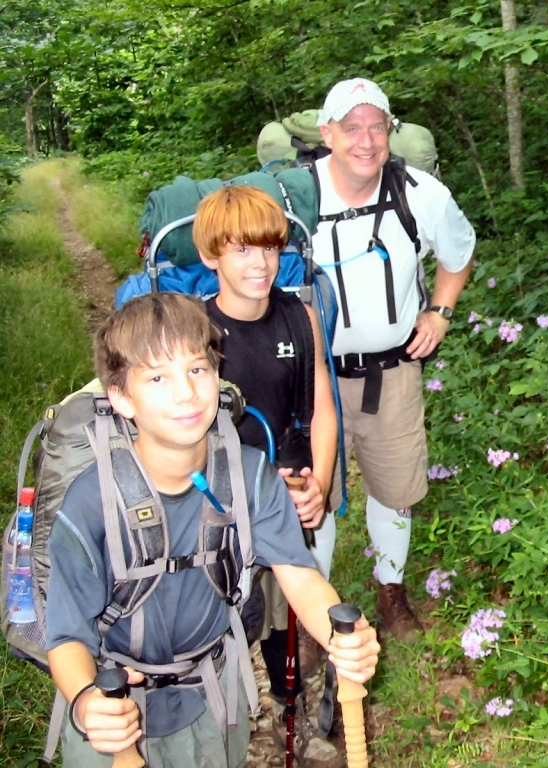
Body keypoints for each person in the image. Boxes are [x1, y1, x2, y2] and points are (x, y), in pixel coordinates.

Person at [44, 293, 379, 768]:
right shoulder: (91, 501)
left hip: (211, 698)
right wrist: (85, 702)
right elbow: (66, 635)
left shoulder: (249, 476)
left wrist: (343, 639)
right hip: (112, 715)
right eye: (158, 377)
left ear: (217, 374)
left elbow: (299, 574)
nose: (186, 393)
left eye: (197, 369)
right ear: (121, 397)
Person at [312, 77, 476, 640]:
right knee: (315, 494)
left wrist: (440, 313)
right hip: (313, 379)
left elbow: (459, 253)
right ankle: (315, 611)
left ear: (390, 131)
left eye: (376, 126)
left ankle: (392, 591)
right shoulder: (295, 196)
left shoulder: (420, 194)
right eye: (351, 127)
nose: (365, 140)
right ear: (326, 132)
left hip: (393, 369)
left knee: (396, 487)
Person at [194, 185, 342, 767]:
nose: (259, 264)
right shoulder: (196, 330)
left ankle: (292, 716)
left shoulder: (299, 316)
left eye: (269, 250)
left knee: (288, 616)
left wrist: (321, 484)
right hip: (221, 505)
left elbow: (322, 407)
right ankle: (225, 724)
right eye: (240, 250)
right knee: (232, 617)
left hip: (295, 494)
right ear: (211, 257)